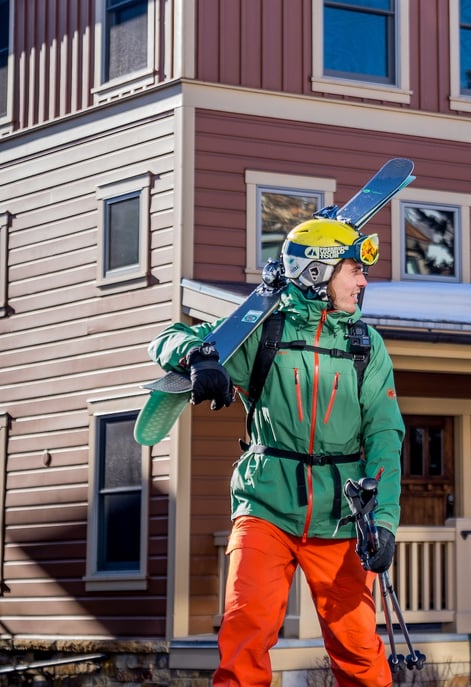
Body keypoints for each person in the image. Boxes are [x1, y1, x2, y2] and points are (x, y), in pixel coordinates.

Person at [148, 216, 404, 687]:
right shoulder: (263, 333)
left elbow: (385, 436)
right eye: (354, 270)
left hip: (343, 515)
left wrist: (384, 520)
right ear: (316, 273)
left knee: (360, 652)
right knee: (245, 636)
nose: (364, 281)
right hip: (264, 507)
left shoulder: (365, 345)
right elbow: (166, 339)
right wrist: (200, 359)